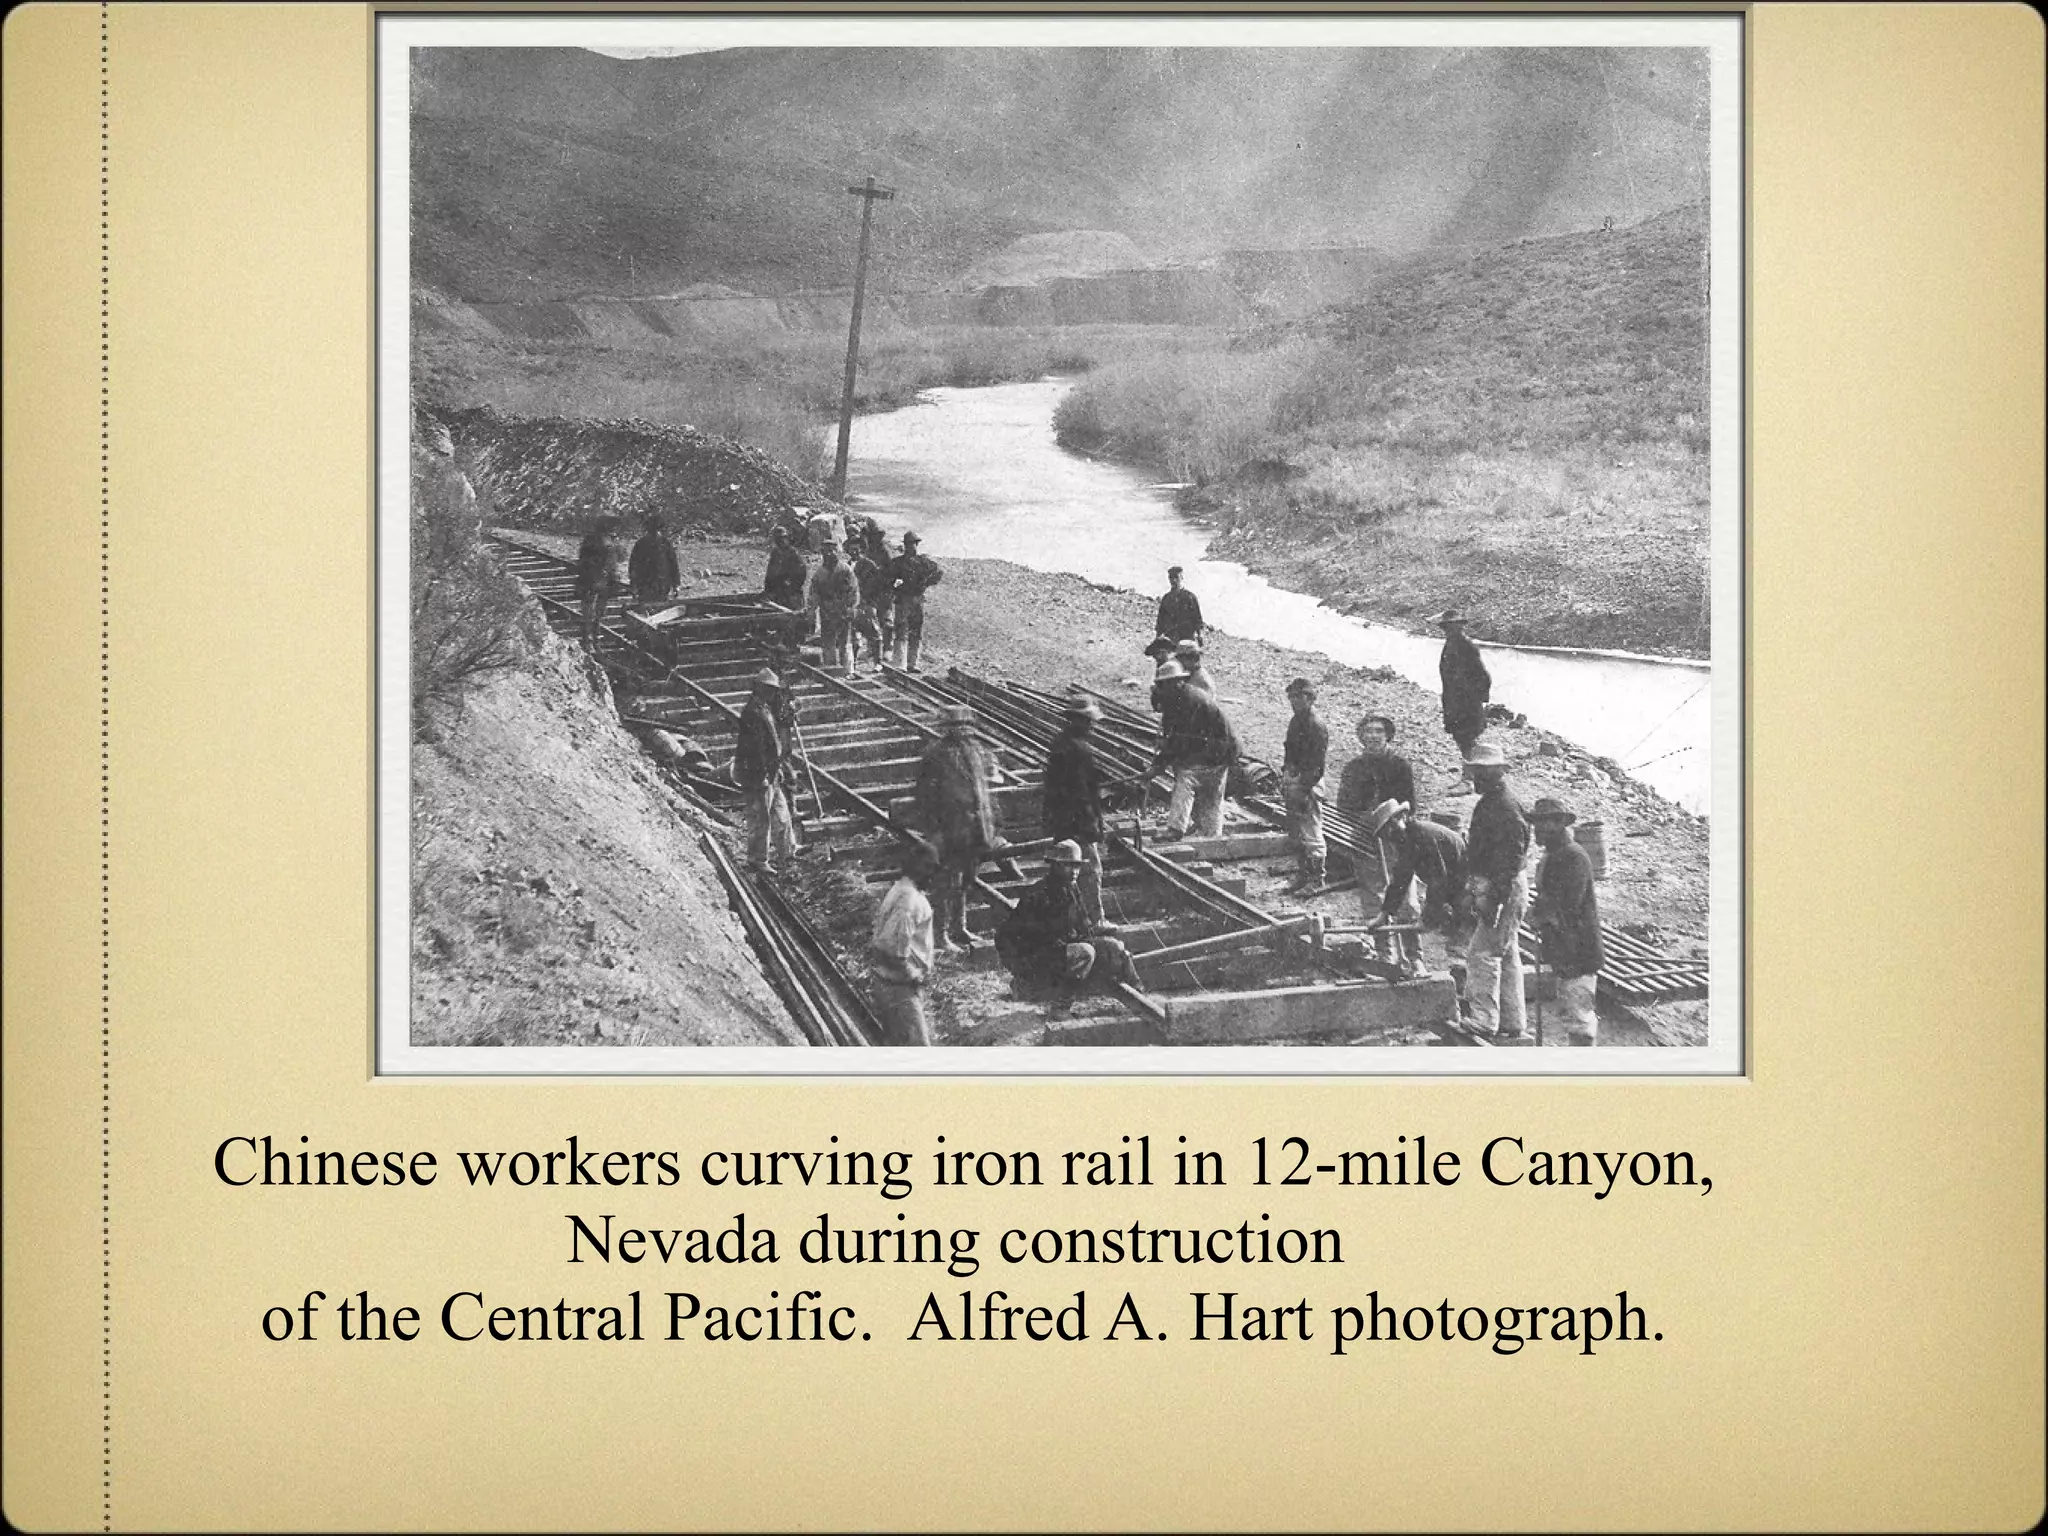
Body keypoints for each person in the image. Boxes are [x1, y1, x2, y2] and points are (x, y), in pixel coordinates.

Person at [996, 840, 1138, 1013]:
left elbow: (1083, 926)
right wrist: (1020, 968)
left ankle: (1140, 995)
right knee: (1085, 953)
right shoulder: (1039, 894)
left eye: (1077, 866)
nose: (1074, 871)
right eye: (1068, 866)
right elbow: (1007, 935)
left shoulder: (1072, 889)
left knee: (1116, 947)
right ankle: (1059, 1007)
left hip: (1062, 953)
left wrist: (1104, 943)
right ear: (1054, 866)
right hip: (1040, 957)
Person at [914, 702, 1003, 951]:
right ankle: (940, 935)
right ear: (947, 729)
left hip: (975, 828)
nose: (963, 731)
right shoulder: (935, 755)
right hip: (949, 830)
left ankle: (959, 927)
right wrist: (934, 830)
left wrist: (992, 822)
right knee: (946, 882)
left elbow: (984, 790)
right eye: (957, 726)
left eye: (966, 726)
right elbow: (923, 797)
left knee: (966, 880)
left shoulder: (975, 751)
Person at [1460, 741, 1531, 1039]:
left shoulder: (1504, 808)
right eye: (1475, 772)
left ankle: (1484, 1019)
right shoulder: (1493, 801)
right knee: (1506, 951)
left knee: (1482, 953)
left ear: (1497, 773)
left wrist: (1494, 898)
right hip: (1502, 885)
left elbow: (1510, 861)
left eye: (1482, 773)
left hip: (1504, 886)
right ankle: (1513, 1020)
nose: (1476, 778)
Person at [1335, 714, 1418, 949]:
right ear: (1361, 736)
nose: (1373, 736)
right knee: (1372, 898)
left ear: (1388, 735)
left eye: (1379, 731)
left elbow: (1410, 804)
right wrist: (1366, 821)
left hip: (1397, 838)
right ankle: (1384, 951)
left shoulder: (1400, 765)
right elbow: (1344, 807)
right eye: (1368, 731)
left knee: (1406, 901)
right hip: (1365, 838)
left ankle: (1414, 954)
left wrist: (1394, 819)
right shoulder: (1354, 767)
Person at [1526, 797, 1603, 1046]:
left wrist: (1542, 916)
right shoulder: (1553, 855)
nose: (1537, 830)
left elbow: (1569, 906)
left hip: (1579, 952)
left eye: (1543, 824)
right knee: (1572, 1012)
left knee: (1579, 1018)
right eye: (1535, 824)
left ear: (1559, 824)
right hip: (1564, 949)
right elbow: (1547, 897)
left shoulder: (1573, 857)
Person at [1365, 799, 1467, 971]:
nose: (1389, 835)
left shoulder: (1423, 836)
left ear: (1401, 817)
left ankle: (1462, 990)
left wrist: (1427, 918)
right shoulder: (1407, 840)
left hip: (1465, 886)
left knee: (1460, 943)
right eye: (1385, 833)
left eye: (1390, 827)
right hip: (1453, 886)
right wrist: (1384, 915)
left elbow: (1438, 881)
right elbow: (1400, 880)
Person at [1147, 659, 1239, 841]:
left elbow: (1177, 742)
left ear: (1175, 682)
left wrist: (1157, 767)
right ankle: (1211, 835)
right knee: (1211, 791)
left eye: (1164, 685)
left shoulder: (1188, 701)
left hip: (1220, 749)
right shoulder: (1179, 698)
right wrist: (1159, 764)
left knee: (1187, 778)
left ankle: (1176, 829)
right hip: (1219, 749)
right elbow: (1172, 738)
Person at [1042, 694, 1112, 926]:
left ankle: (1072, 918)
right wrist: (1093, 826)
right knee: (1091, 871)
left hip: (1062, 821)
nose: (1092, 726)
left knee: (1065, 871)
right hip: (1078, 822)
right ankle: (1095, 920)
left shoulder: (1059, 743)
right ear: (1078, 721)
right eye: (1089, 721)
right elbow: (1082, 796)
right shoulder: (1080, 750)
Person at [867, 836, 940, 1046]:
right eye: (930, 869)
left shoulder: (901, 889)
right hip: (899, 989)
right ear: (919, 868)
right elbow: (891, 948)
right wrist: (913, 975)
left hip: (892, 984)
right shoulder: (910, 901)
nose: (933, 875)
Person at [733, 668, 796, 874]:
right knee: (761, 818)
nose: (772, 693)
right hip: (759, 774)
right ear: (759, 688)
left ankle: (788, 851)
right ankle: (757, 860)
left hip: (771, 771)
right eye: (769, 689)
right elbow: (755, 749)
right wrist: (762, 776)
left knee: (781, 812)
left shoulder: (765, 707)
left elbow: (780, 725)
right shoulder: (752, 712)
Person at [1280, 679, 1329, 892]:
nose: (1294, 701)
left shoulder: (1315, 725)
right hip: (1296, 778)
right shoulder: (1296, 720)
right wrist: (1287, 773)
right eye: (1291, 697)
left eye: (1299, 697)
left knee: (1312, 831)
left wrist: (1303, 788)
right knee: (1297, 832)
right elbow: (1290, 750)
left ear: (1310, 699)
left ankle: (1316, 879)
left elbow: (1318, 767)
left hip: (1310, 783)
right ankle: (1303, 875)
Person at [1434, 609, 1491, 770]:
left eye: (1453, 626)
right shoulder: (1451, 644)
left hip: (1466, 703)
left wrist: (1479, 699)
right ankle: (1470, 773)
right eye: (1447, 627)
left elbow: (1483, 675)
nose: (1449, 630)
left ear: (1460, 627)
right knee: (1461, 738)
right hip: (1454, 701)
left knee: (1467, 739)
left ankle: (1470, 776)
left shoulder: (1466, 646)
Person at [889, 531, 943, 672]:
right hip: (903, 600)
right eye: (908, 545)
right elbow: (887, 578)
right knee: (901, 630)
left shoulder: (922, 562)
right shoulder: (898, 562)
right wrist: (895, 589)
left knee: (915, 631)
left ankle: (912, 663)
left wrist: (925, 583)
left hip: (917, 599)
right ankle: (900, 664)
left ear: (916, 545)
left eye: (912, 544)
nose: (910, 547)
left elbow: (938, 572)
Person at [805, 541, 860, 674]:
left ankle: (847, 670)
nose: (829, 554)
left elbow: (853, 590)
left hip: (842, 610)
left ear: (837, 552)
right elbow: (814, 593)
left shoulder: (845, 569)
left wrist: (851, 607)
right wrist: (812, 610)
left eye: (831, 551)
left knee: (845, 642)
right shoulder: (820, 573)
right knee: (828, 641)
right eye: (825, 552)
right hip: (827, 611)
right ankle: (831, 669)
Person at [574, 515, 629, 646]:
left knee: (588, 608)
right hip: (604, 579)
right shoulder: (611, 541)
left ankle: (588, 638)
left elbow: (582, 558)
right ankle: (595, 635)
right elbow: (622, 558)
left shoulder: (590, 539)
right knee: (599, 609)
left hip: (590, 577)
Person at [850, 539, 889, 670]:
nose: (854, 552)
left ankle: (878, 662)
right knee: (853, 635)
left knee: (874, 633)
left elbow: (879, 585)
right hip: (853, 606)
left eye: (857, 549)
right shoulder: (847, 565)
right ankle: (853, 664)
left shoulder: (869, 565)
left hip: (867, 604)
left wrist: (872, 601)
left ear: (862, 550)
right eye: (851, 549)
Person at [627, 513, 681, 607]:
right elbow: (633, 566)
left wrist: (676, 585)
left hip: (662, 585)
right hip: (645, 585)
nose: (653, 532)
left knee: (662, 611)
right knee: (645, 610)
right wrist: (634, 585)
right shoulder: (641, 544)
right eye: (651, 529)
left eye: (655, 529)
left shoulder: (665, 543)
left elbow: (673, 565)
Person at [1155, 565, 1204, 646]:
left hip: (1187, 638)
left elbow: (1197, 618)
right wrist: (1158, 637)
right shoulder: (1166, 598)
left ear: (1181, 578)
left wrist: (1200, 635)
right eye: (1171, 577)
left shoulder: (1190, 597)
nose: (1173, 580)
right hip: (1170, 638)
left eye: (1176, 577)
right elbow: (1160, 620)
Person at [763, 525, 809, 610]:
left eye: (783, 538)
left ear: (787, 538)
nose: (781, 541)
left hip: (792, 594)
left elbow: (802, 574)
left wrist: (791, 585)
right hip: (778, 594)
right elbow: (770, 574)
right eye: (778, 539)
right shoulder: (775, 554)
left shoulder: (793, 554)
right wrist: (768, 590)